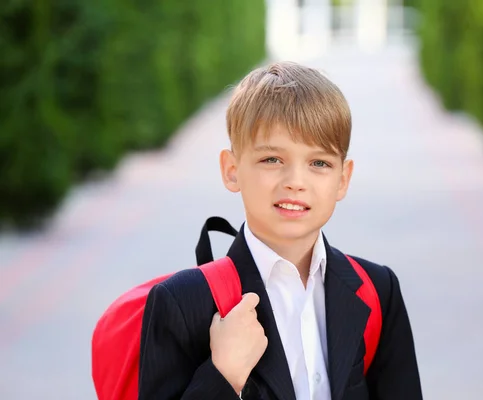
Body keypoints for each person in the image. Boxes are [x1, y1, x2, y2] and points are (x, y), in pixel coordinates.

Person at [138, 61, 422, 400]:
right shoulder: (184, 303)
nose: (296, 182)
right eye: (272, 159)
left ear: (343, 179)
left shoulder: (377, 290)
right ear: (231, 170)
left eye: (319, 163)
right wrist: (223, 374)